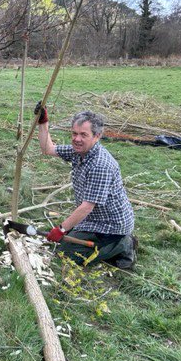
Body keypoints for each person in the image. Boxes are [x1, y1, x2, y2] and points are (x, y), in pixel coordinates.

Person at [36, 104, 136, 269]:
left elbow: (87, 207)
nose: (77, 139)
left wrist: (61, 229)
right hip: (94, 219)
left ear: (96, 136)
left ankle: (124, 244)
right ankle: (109, 243)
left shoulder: (100, 164)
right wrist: (43, 123)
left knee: (66, 253)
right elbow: (48, 149)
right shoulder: (79, 151)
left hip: (111, 225)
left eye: (84, 135)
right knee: (65, 243)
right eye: (74, 133)